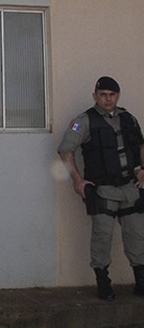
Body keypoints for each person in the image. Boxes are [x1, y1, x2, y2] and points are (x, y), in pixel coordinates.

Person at [58, 76, 144, 301]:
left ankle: (141, 281)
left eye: (112, 95)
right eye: (103, 95)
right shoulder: (83, 121)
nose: (108, 99)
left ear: (118, 96)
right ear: (95, 95)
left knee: (137, 236)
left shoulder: (128, 119)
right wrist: (78, 180)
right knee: (102, 238)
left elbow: (139, 147)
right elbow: (65, 150)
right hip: (103, 190)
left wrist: (142, 171)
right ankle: (104, 284)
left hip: (130, 189)